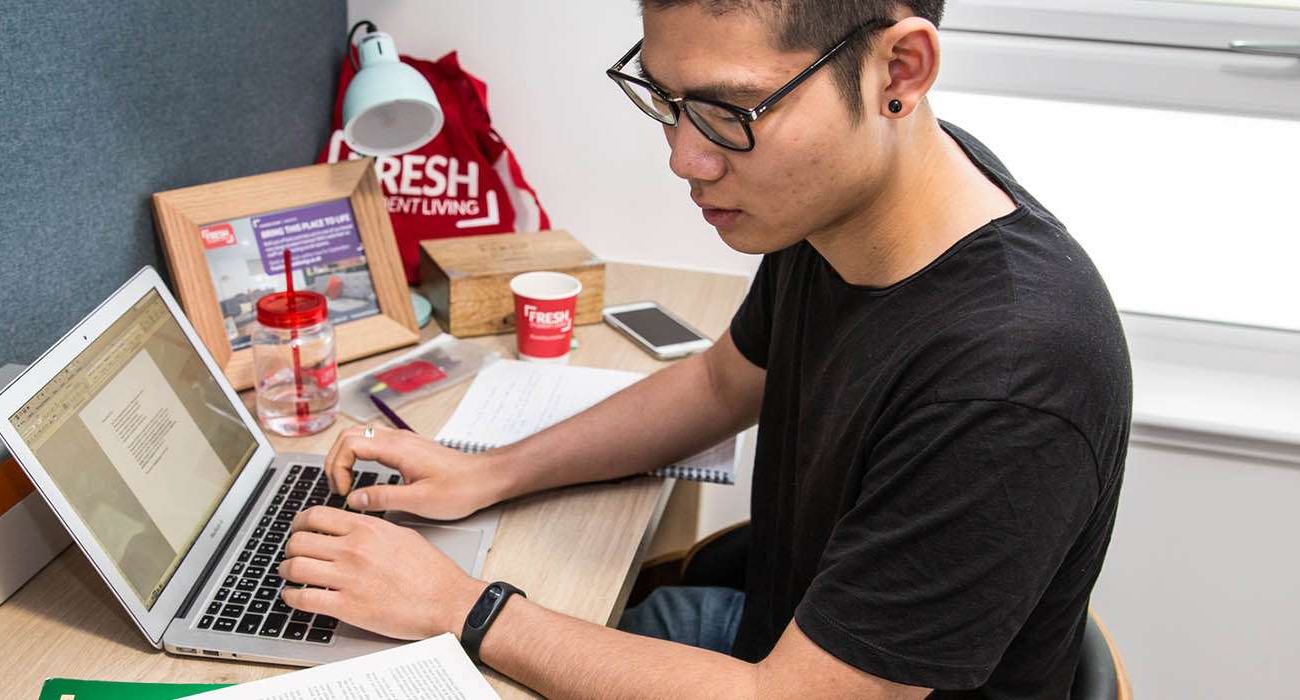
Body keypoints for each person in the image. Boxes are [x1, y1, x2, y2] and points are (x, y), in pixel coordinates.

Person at [276, 1, 1131, 697]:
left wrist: (457, 606)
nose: (687, 158)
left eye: (729, 112)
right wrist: (486, 471)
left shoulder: (1012, 376)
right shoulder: (842, 199)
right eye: (667, 100)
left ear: (898, 73)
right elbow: (722, 382)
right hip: (777, 643)